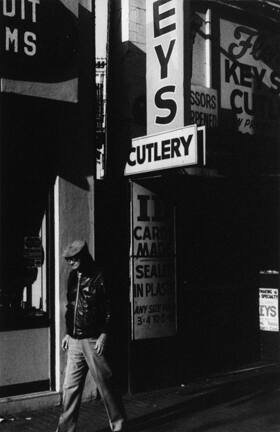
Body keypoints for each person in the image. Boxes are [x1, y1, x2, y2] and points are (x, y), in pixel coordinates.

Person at [56, 240, 126, 432]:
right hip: (75, 340)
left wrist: (105, 333)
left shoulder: (100, 275)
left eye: (74, 259)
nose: (70, 262)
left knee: (106, 385)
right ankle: (65, 429)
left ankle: (119, 425)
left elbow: (112, 307)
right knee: (70, 387)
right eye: (68, 259)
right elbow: (70, 308)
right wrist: (67, 334)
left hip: (94, 339)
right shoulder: (72, 277)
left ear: (84, 256)